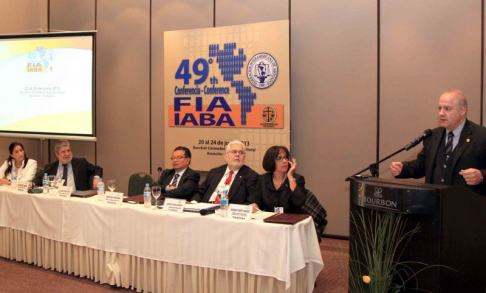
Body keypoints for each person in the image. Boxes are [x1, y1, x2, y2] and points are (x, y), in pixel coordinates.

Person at [390, 89, 486, 196]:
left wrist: (481, 176)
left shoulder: (481, 136)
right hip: (435, 206)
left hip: (468, 206)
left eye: (447, 109)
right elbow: (422, 165)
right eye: (439, 108)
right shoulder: (433, 135)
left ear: (462, 110)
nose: (441, 113)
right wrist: (403, 168)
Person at [191, 140, 258, 205]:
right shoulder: (214, 172)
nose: (237, 155)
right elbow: (200, 191)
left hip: (228, 211)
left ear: (244, 157)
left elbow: (251, 202)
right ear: (226, 156)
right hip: (206, 208)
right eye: (234, 152)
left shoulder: (251, 176)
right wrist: (194, 202)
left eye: (241, 152)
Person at [253, 146, 306, 213]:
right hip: (269, 220)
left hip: (291, 220)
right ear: (271, 160)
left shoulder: (298, 179)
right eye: (279, 158)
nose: (284, 161)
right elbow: (257, 202)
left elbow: (299, 202)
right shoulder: (262, 179)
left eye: (286, 157)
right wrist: (254, 206)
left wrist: (290, 177)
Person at [34, 140, 102, 190]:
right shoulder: (50, 167)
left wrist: (96, 178)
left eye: (68, 150)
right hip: (57, 199)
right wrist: (32, 183)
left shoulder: (81, 163)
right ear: (57, 154)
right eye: (63, 152)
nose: (67, 154)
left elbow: (98, 169)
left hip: (77, 199)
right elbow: (38, 180)